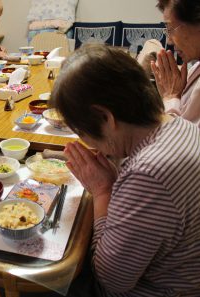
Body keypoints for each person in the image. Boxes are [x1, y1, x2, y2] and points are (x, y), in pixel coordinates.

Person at [53, 45, 200, 296]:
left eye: (80, 132)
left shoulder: (148, 175)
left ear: (105, 118)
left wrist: (102, 191)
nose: (85, 142)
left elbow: (111, 281)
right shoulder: (179, 124)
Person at [151, 0, 200, 127]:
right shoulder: (195, 67)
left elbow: (177, 142)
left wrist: (171, 97)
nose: (169, 41)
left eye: (170, 29)